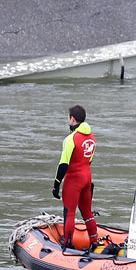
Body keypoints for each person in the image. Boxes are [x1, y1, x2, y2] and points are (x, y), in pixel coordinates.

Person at [52, 104, 97, 250]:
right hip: (87, 177)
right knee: (88, 212)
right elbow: (89, 160)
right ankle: (94, 242)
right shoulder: (92, 138)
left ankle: (67, 245)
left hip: (74, 179)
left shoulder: (71, 139)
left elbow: (63, 164)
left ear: (72, 119)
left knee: (69, 212)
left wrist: (56, 184)